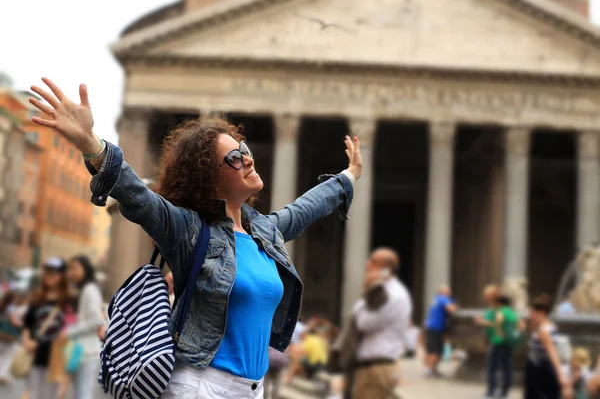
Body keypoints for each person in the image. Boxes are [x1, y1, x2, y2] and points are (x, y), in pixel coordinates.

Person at [29, 77, 361, 399]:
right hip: (201, 386)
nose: (247, 159)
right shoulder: (189, 231)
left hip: (252, 388)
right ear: (209, 177)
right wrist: (90, 143)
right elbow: (138, 198)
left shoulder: (265, 233)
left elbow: (305, 209)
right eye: (234, 158)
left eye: (244, 150)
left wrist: (348, 176)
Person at [351, 247, 412, 399]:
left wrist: (366, 290)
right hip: (373, 366)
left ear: (386, 269)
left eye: (373, 262)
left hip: (376, 369)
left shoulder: (392, 294)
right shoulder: (388, 291)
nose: (367, 265)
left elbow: (363, 322)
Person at [21, 257, 71, 399]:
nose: (49, 276)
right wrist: (26, 342)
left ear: (62, 276)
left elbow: (73, 330)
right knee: (33, 395)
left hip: (56, 357)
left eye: (53, 272)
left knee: (52, 395)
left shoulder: (68, 300)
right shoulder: (38, 297)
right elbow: (27, 323)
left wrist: (67, 374)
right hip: (35, 355)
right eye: (47, 272)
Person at [64, 255, 104, 399]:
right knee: (77, 392)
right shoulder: (81, 290)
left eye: (75, 268)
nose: (71, 272)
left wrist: (69, 331)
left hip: (87, 352)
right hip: (78, 350)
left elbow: (96, 320)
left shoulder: (90, 290)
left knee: (83, 393)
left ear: (85, 269)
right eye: (70, 269)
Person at [525, 294, 571, 399]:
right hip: (540, 368)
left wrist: (561, 375)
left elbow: (552, 352)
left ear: (541, 312)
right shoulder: (549, 326)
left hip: (540, 370)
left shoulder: (543, 331)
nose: (530, 315)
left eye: (532, 312)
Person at [423, 285, 457, 377]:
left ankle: (429, 369)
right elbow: (452, 309)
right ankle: (430, 369)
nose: (449, 293)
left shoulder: (436, 299)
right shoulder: (443, 299)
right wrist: (455, 306)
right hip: (436, 328)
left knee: (430, 350)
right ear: (442, 292)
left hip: (430, 326)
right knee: (436, 351)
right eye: (447, 291)